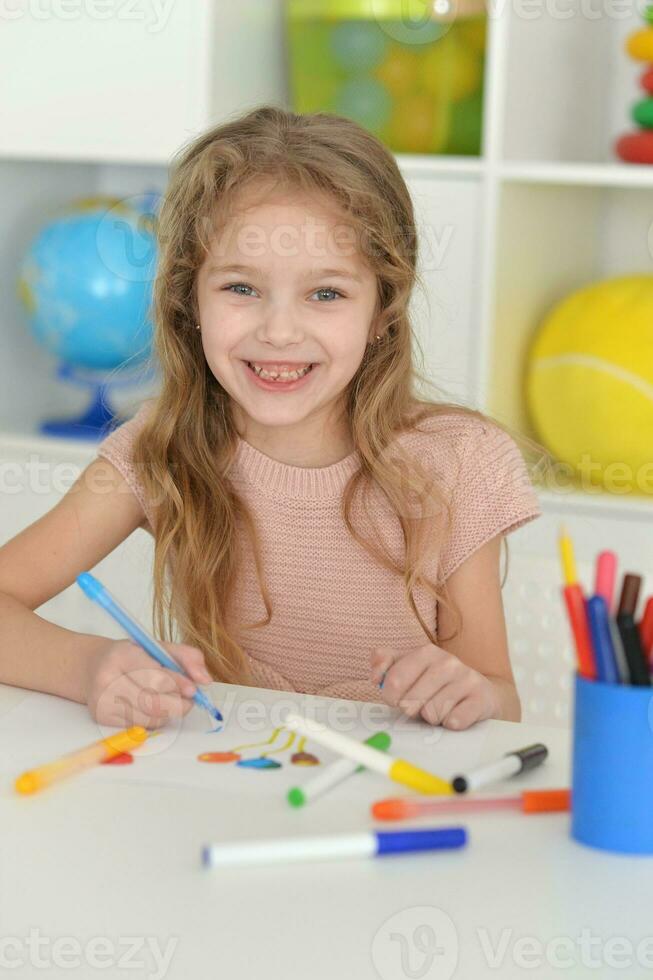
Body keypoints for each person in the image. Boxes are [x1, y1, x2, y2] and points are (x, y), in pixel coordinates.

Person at [0, 105, 543, 731]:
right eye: (241, 288)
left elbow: (501, 699)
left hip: (394, 810)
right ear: (189, 299)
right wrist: (88, 667)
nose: (279, 331)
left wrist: (472, 694)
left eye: (326, 293)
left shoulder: (459, 463)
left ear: (382, 311)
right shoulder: (159, 452)